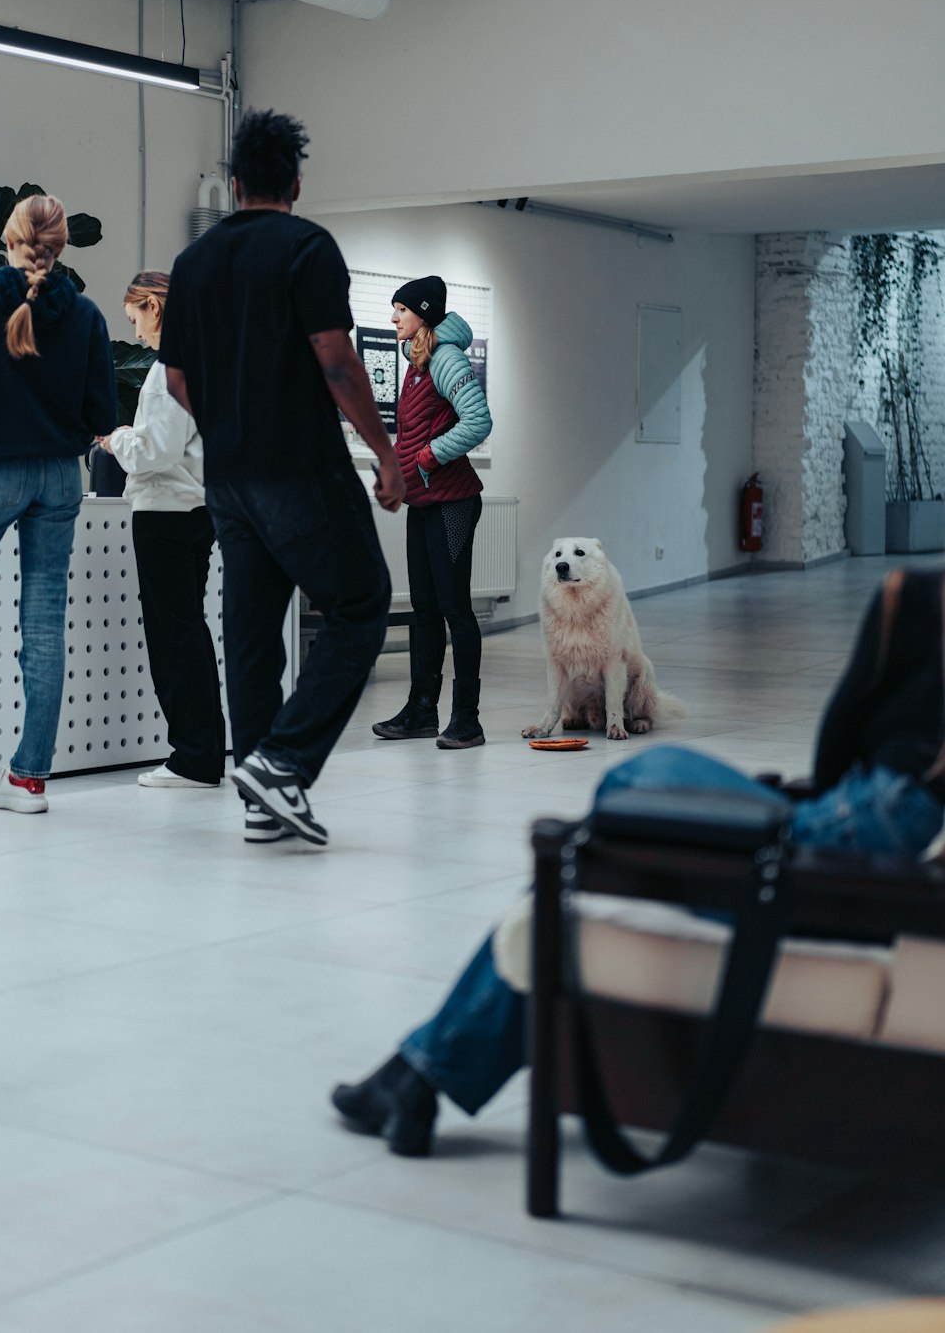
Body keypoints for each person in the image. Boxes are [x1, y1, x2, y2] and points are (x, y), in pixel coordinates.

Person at [333, 566, 945, 1155]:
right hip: (851, 832)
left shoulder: (922, 611)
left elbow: (860, 781)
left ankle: (415, 1075)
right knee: (627, 806)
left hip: (835, 852)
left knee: (626, 794)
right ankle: (415, 1076)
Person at [158, 109, 405, 848]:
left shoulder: (195, 261)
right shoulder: (307, 246)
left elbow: (175, 380)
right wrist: (384, 452)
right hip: (300, 466)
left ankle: (265, 799)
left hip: (228, 477)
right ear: (294, 183)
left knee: (253, 631)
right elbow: (335, 359)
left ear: (234, 186)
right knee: (363, 602)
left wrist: (228, 426)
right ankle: (285, 762)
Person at [0, 194, 116, 813]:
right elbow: (102, 415)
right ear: (61, 245)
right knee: (43, 625)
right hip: (59, 480)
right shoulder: (88, 316)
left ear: (8, 237)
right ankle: (29, 780)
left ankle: (22, 777)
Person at [95, 270, 225, 790]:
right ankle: (201, 753)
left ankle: (193, 758)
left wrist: (117, 439)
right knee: (188, 631)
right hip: (197, 511)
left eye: (136, 320)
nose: (139, 333)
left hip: (166, 514)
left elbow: (157, 451)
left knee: (175, 638)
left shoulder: (172, 365)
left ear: (153, 305)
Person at [371, 277, 493, 750]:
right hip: (424, 502)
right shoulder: (418, 359)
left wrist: (427, 457)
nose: (394, 318)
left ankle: (467, 719)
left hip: (454, 503)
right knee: (423, 609)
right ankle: (422, 712)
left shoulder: (446, 358)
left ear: (423, 313)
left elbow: (479, 420)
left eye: (401, 309)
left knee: (454, 609)